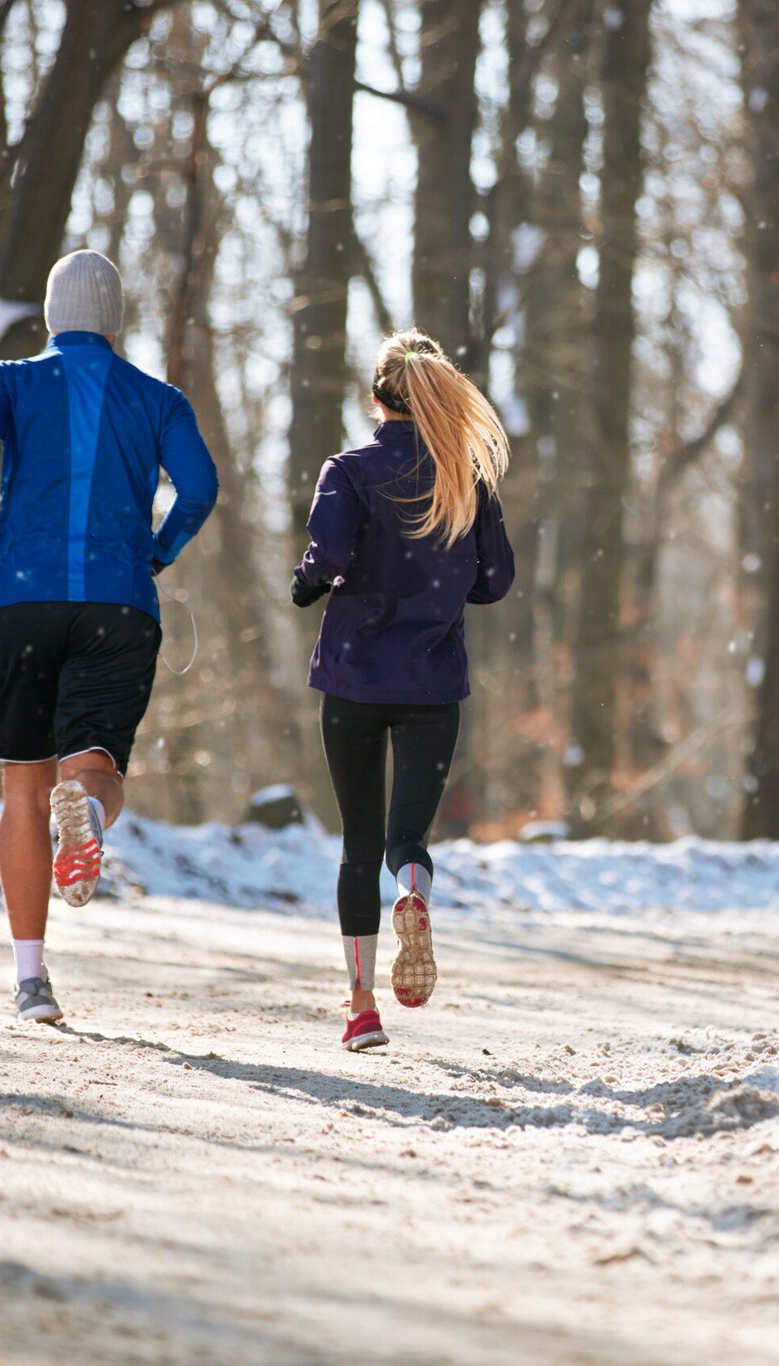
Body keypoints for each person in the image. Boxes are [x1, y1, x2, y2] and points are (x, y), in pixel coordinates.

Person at [0, 249, 218, 1025]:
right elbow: (200, 488)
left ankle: (31, 981)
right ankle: (87, 812)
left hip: (22, 602)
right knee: (94, 769)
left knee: (24, 789)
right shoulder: (158, 399)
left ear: (53, 315)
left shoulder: (10, 381)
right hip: (118, 607)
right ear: (115, 320)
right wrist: (157, 550)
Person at [292, 329, 514, 1052]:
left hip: (355, 677)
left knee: (357, 842)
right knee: (404, 838)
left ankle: (361, 1011)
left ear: (377, 396)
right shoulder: (467, 478)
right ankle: (413, 890)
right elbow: (494, 581)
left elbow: (331, 555)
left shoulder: (349, 470)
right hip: (431, 683)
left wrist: (309, 581)